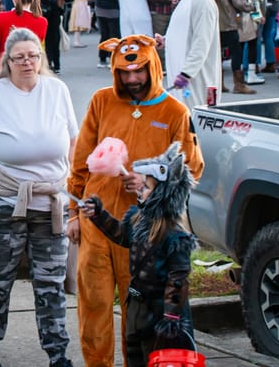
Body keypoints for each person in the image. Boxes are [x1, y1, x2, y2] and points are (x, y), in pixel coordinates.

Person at [67, 34, 204, 367]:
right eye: (124, 73)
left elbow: (193, 167)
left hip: (147, 233)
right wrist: (73, 213)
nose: (131, 80)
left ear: (153, 67)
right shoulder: (102, 101)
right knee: (94, 307)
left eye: (139, 71)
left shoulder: (175, 111)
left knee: (139, 317)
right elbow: (82, 158)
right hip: (98, 224)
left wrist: (150, 183)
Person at [0, 28, 77, 367]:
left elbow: (72, 139)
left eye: (33, 56)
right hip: (3, 203)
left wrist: (66, 178)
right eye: (19, 57)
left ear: (41, 57)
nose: (27, 62)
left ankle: (57, 353)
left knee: (50, 284)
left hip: (51, 204)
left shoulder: (57, 90)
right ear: (6, 61)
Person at [79, 143, 198, 367]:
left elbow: (178, 280)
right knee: (134, 356)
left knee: (158, 359)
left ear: (163, 194)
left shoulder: (176, 237)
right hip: (136, 308)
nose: (139, 191)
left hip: (159, 314)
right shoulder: (138, 219)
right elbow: (122, 236)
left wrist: (172, 318)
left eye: (145, 188)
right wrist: (98, 215)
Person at [160, 0, 222, 107]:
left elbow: (202, 41)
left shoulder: (203, 1)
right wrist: (166, 41)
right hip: (183, 75)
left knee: (194, 121)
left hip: (197, 78)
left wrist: (186, 73)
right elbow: (184, 33)